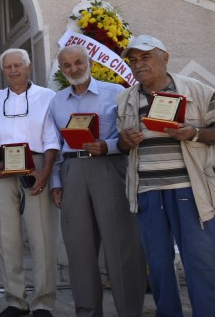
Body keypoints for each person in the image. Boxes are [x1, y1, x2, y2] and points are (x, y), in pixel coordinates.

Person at [117, 35, 215, 317]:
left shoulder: (197, 91)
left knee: (203, 266)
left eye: (145, 57)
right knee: (159, 268)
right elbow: (122, 147)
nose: (138, 64)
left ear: (165, 58)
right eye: (133, 60)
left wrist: (194, 132)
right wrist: (127, 141)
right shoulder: (125, 99)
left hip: (192, 191)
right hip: (148, 192)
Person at [48, 45, 146, 317]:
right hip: (72, 172)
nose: (74, 69)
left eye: (78, 63)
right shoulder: (56, 101)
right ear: (62, 69)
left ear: (88, 62)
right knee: (79, 251)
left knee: (121, 246)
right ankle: (87, 312)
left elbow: (131, 132)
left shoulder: (114, 93)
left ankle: (130, 311)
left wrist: (109, 146)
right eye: (67, 66)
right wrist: (56, 182)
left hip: (109, 168)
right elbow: (53, 143)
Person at [0, 48, 60, 317]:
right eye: (8, 67)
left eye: (18, 65)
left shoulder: (47, 97)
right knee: (6, 236)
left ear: (29, 67)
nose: (13, 70)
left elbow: (51, 137)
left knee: (41, 235)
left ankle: (43, 302)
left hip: (35, 166)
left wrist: (45, 172)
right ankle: (15, 300)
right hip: (3, 167)